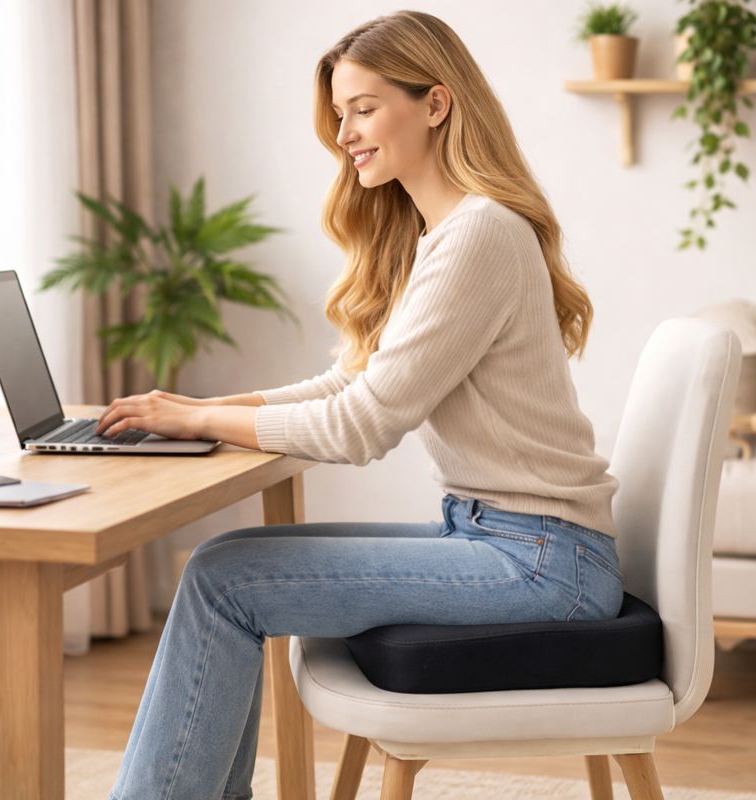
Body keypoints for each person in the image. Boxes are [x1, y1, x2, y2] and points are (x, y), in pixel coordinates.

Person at [104, 10, 623, 799]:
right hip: (512, 540)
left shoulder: (480, 233)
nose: (344, 133)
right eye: (340, 115)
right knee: (220, 571)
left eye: (364, 108)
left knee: (223, 582)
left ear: (437, 104)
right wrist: (198, 406)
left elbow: (361, 427)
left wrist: (203, 422)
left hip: (543, 564)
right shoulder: (446, 232)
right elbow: (353, 384)